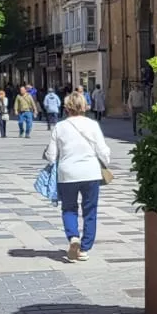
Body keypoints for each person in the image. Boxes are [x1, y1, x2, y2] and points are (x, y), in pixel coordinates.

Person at [43, 90, 111, 263]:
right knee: (90, 210)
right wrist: (106, 161)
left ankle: (73, 238)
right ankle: (85, 248)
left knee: (69, 208)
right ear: (84, 106)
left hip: (67, 174)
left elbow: (51, 155)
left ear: (66, 108)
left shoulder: (60, 126)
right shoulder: (92, 125)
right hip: (90, 173)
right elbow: (103, 150)